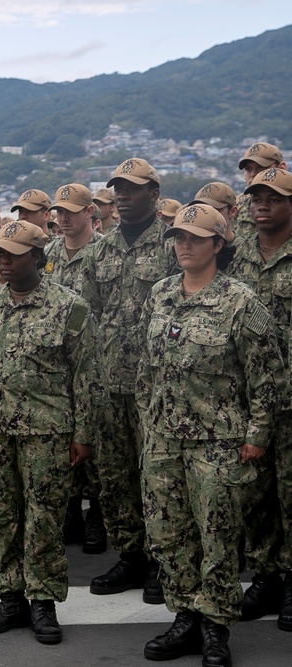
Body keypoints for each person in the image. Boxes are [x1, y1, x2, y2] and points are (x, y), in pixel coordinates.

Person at [137, 203, 285, 666]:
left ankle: (216, 625)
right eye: (179, 238)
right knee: (168, 532)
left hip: (217, 441)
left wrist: (257, 435)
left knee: (218, 536)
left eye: (195, 239)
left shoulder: (241, 301)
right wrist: (146, 418)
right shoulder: (160, 294)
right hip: (163, 439)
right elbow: (145, 366)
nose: (184, 246)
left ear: (218, 244)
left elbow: (267, 377)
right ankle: (185, 616)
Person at [0, 220, 100, 645]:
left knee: (44, 518)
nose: (2, 261)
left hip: (47, 431)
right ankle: (10, 596)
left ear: (38, 258)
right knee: (0, 515)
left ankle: (42, 600)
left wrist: (83, 433)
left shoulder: (70, 306)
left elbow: (86, 376)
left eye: (13, 254)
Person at [80, 157, 178, 604]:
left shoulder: (173, 246)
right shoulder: (99, 251)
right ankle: (131, 555)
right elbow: (88, 317)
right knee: (115, 476)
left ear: (154, 195)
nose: (122, 195)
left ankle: (163, 560)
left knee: (158, 477)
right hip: (107, 385)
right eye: (118, 188)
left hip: (154, 387)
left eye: (132, 188)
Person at [226, 167, 292, 628]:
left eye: (273, 197)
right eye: (256, 197)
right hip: (251, 400)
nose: (262, 204)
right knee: (256, 494)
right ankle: (266, 577)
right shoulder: (237, 256)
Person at [43, 183, 106, 554]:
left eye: (70, 211)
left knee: (93, 437)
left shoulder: (103, 252)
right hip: (55, 362)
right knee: (61, 435)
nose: (63, 218)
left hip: (92, 358)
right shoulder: (48, 253)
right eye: (58, 212)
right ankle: (69, 511)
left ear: (89, 212)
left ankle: (97, 512)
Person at [234, 142, 286, 239]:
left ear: (281, 168)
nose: (253, 174)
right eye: (248, 169)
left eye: (261, 167)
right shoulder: (235, 206)